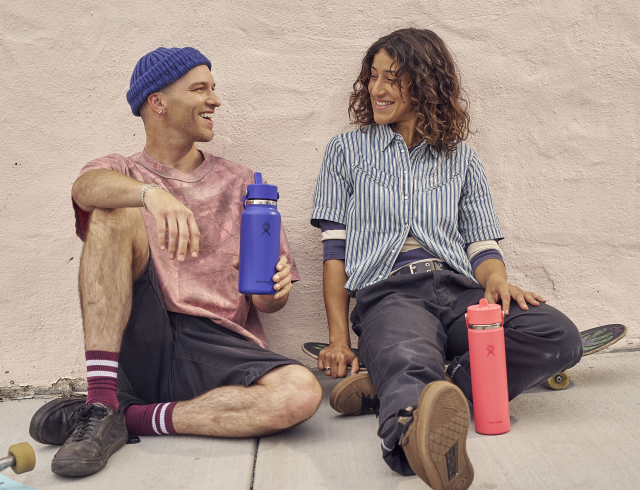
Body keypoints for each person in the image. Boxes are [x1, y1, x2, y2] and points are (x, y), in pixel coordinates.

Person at [29, 47, 322, 477]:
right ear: (158, 102)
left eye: (213, 89)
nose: (215, 100)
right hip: (145, 332)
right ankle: (101, 397)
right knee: (112, 212)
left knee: (299, 393)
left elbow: (267, 304)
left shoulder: (243, 182)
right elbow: (85, 188)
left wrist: (275, 293)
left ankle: (121, 417)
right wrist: (151, 195)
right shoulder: (121, 169)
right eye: (200, 89)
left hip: (218, 343)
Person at [310, 29, 582, 490]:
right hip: (391, 294)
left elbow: (481, 244)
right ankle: (414, 441)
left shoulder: (462, 159)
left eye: (392, 78)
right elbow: (334, 251)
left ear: (425, 83)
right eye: (372, 76)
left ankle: (442, 382)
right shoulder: (346, 152)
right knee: (408, 360)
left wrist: (496, 281)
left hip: (459, 291)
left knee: (557, 335)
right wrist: (339, 340)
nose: (377, 88)